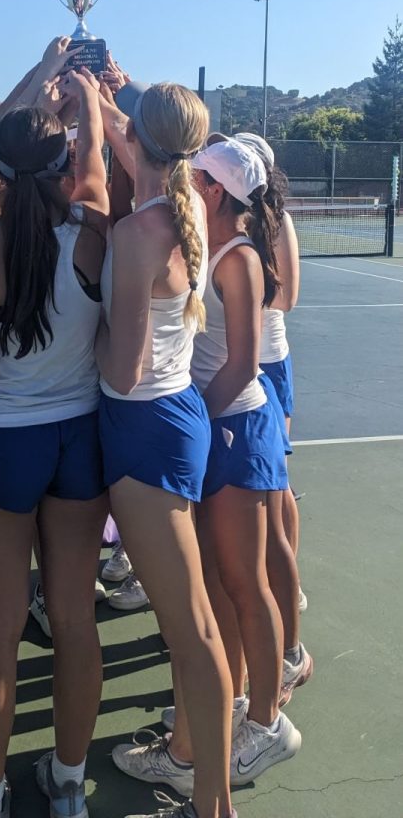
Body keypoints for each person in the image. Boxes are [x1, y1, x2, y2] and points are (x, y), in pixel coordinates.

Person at [0, 71, 109, 818]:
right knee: (75, 621)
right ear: (62, 166)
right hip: (77, 441)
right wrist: (86, 117)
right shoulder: (92, 232)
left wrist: (37, 118)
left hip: (0, 445)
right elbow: (96, 174)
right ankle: (69, 788)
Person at [95, 81, 236, 818]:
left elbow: (121, 368)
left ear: (141, 146)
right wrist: (107, 88)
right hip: (177, 416)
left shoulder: (132, 234)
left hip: (140, 425)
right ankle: (208, 798)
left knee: (189, 629)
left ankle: (212, 807)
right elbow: (139, 141)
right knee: (193, 623)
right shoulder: (189, 214)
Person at [184, 139, 301, 787]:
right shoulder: (217, 247)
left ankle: (266, 725)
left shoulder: (238, 259)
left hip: (236, 426)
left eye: (195, 175)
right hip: (221, 426)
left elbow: (242, 364)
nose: (187, 181)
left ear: (215, 190)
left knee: (246, 584)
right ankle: (239, 707)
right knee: (226, 583)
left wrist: (194, 425)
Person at [231, 133, 311, 680]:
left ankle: (288, 624)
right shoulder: (229, 220)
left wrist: (237, 290)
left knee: (275, 489)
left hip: (264, 365)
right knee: (257, 500)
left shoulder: (273, 221)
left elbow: (286, 298)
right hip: (238, 361)